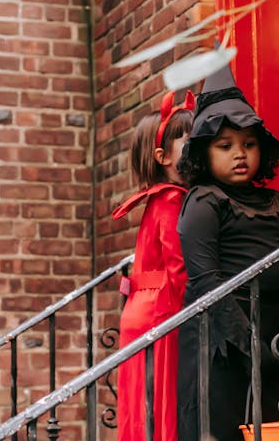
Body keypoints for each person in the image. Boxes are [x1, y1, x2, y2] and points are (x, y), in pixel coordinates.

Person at [175, 62, 279, 441]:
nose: (240, 154)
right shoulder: (204, 201)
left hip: (271, 331)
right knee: (222, 425)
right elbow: (206, 282)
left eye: (248, 144)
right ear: (204, 152)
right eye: (225, 146)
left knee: (263, 425)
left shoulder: (275, 203)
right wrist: (249, 345)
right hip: (221, 339)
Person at [112, 90, 195, 441]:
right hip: (160, 310)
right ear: (163, 157)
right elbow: (179, 268)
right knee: (159, 404)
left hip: (141, 307)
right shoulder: (173, 200)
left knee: (141, 404)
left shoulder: (157, 199)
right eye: (190, 147)